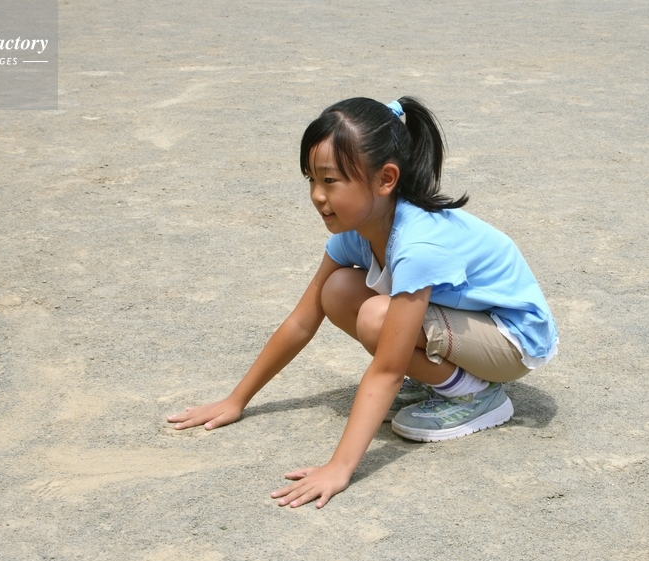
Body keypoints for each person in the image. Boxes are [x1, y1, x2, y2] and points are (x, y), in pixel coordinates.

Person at [167, 97, 558, 508]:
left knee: (376, 317)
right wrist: (236, 400)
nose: (317, 196)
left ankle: (474, 395)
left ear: (386, 179)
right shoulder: (358, 228)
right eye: (311, 180)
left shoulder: (418, 245)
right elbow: (302, 320)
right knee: (336, 290)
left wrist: (339, 467)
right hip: (470, 326)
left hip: (512, 341)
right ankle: (442, 379)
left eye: (330, 181)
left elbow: (388, 369)